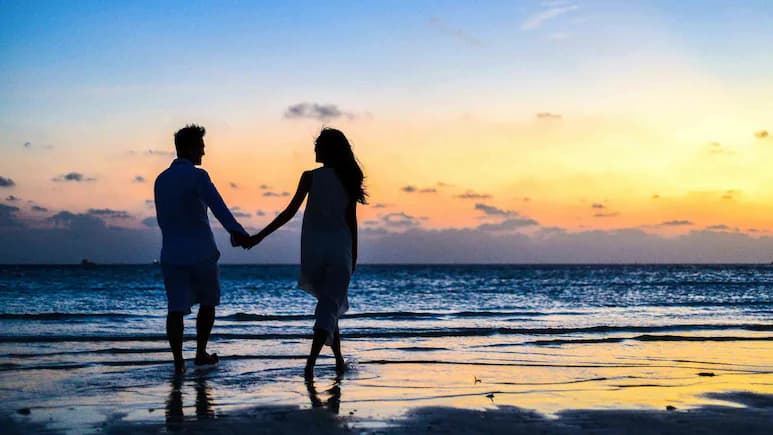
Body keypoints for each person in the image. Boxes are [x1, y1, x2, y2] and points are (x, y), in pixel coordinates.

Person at [249, 128, 366, 379]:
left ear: (328, 150)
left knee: (329, 305)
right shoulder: (348, 177)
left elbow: (288, 213)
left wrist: (259, 237)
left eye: (318, 146)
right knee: (328, 306)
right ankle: (310, 365)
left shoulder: (310, 177)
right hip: (340, 250)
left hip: (314, 252)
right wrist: (354, 255)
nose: (314, 150)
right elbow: (351, 221)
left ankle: (338, 361)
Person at [154, 124, 251, 375]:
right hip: (201, 252)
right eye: (201, 147)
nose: (203, 153)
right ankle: (199, 353)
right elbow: (218, 206)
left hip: (172, 253)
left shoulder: (161, 180)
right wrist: (237, 232)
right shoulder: (199, 176)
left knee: (175, 309)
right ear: (188, 147)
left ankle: (178, 362)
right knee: (208, 303)